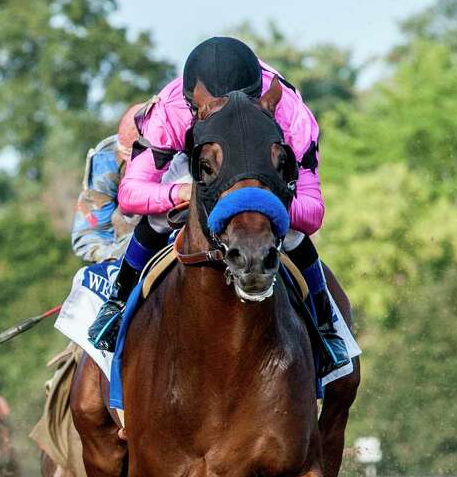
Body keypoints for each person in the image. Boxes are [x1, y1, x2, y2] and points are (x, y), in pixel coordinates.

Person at [87, 36, 351, 383]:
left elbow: (313, 212)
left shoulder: (291, 115)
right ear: (191, 103)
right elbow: (132, 193)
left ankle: (325, 326)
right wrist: (185, 191)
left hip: (264, 178)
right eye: (208, 109)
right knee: (156, 217)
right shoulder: (172, 109)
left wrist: (262, 198)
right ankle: (117, 304)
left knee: (293, 232)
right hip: (200, 172)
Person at [69, 101, 150, 263]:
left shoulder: (190, 142)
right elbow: (90, 234)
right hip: (129, 246)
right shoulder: (107, 162)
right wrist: (114, 259)